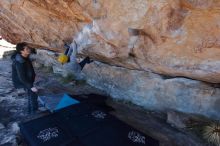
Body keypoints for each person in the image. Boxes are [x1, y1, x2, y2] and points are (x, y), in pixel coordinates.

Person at [11, 42, 38, 114]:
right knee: (32, 95)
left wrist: (33, 75)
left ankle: (32, 111)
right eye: (27, 49)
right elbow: (21, 77)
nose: (29, 49)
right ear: (21, 51)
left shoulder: (25, 56)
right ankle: (33, 112)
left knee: (32, 95)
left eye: (28, 48)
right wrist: (31, 86)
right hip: (22, 82)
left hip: (27, 80)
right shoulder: (19, 62)